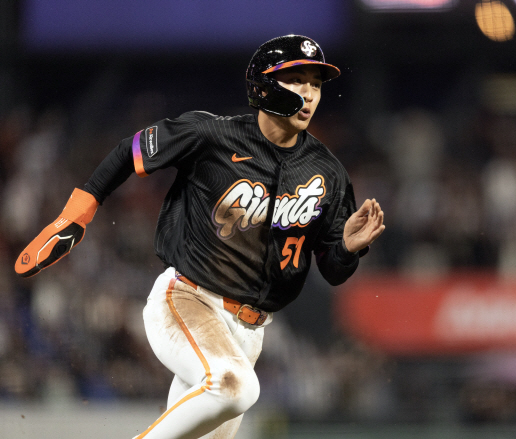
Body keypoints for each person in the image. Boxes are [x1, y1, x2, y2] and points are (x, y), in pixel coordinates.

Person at [14, 35, 385, 439]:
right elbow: (129, 152)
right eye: (296, 80)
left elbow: (332, 269)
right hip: (189, 301)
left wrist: (347, 248)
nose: (309, 93)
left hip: (252, 333)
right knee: (236, 388)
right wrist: (77, 213)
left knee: (227, 393)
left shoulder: (328, 172)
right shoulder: (213, 134)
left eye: (315, 83)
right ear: (264, 85)